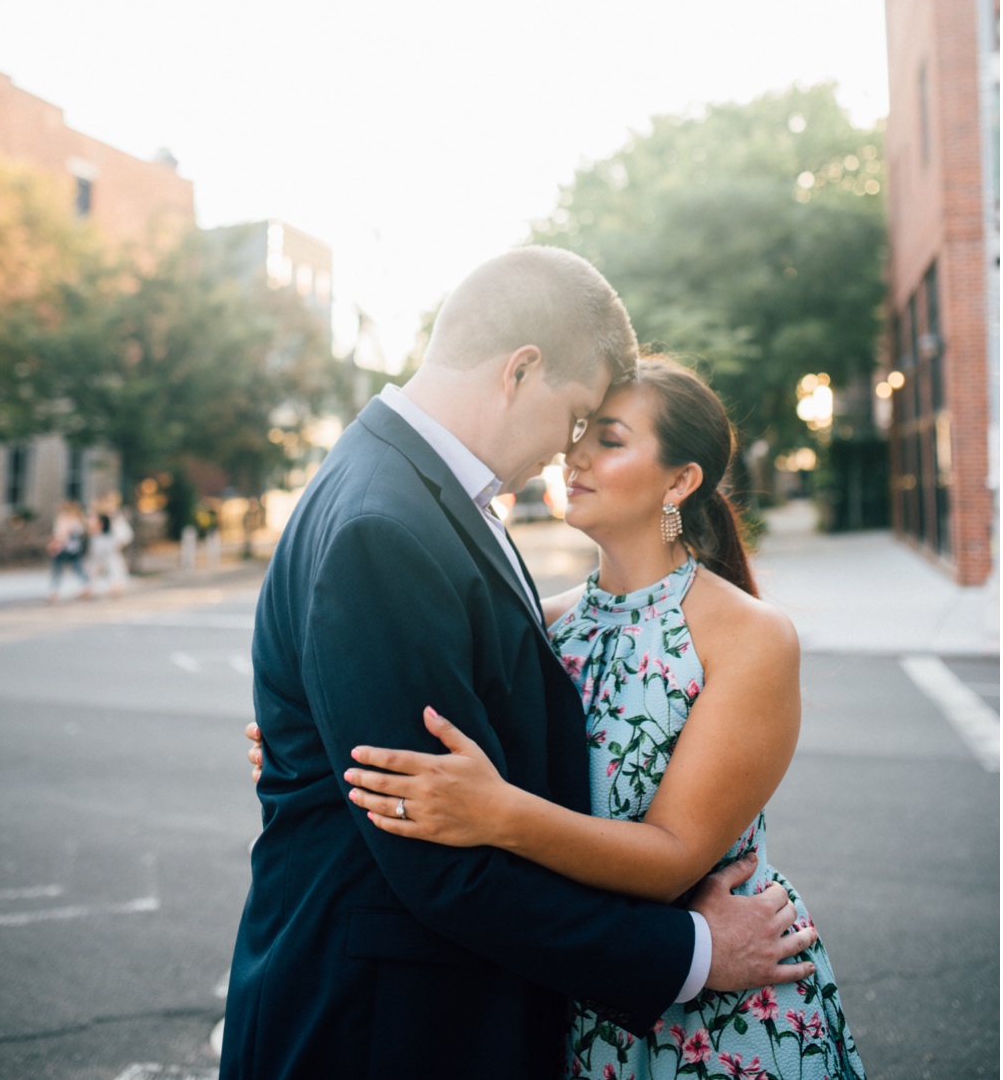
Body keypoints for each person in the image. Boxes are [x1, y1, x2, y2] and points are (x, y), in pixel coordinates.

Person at [221, 248, 817, 1080]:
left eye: (602, 434)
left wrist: (316, 744)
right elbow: (443, 862)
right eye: (577, 417)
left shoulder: (424, 495)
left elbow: (482, 736)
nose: (567, 452)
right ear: (520, 372)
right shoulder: (385, 522)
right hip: (381, 1026)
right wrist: (688, 950)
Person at [322, 356, 865, 1079]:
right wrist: (312, 741)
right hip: (590, 1006)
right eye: (580, 433)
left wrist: (499, 813)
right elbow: (409, 734)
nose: (574, 454)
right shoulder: (543, 627)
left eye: (609, 439)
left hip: (725, 1006)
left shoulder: (749, 636)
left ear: (680, 481)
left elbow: (673, 857)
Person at [45, 500, 89, 602]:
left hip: (63, 548)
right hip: (72, 549)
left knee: (58, 570)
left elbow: (61, 535)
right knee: (77, 568)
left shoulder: (65, 521)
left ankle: (54, 592)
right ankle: (86, 586)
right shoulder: (76, 521)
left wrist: (54, 544)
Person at [89, 506, 133, 597]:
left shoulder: (112, 534)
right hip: (103, 561)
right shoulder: (97, 537)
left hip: (112, 560)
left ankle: (116, 588)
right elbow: (96, 554)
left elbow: (125, 537)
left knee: (115, 573)